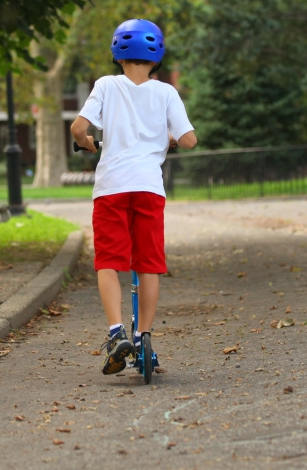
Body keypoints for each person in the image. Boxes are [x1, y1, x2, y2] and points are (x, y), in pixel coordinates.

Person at [70, 19, 197, 375]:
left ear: (117, 53)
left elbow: (79, 128)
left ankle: (116, 333)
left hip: (111, 186)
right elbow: (189, 140)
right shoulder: (166, 92)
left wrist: (88, 143)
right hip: (148, 188)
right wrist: (167, 137)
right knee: (149, 263)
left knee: (109, 260)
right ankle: (143, 337)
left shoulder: (107, 86)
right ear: (157, 56)